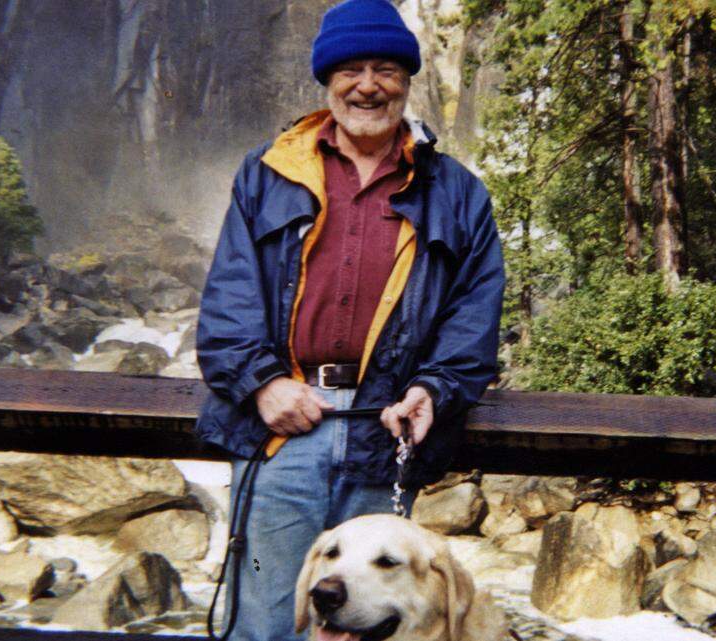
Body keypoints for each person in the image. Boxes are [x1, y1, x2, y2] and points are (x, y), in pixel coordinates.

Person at [193, 0, 505, 639]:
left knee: (379, 624)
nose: (368, 85)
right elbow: (228, 304)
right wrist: (263, 384)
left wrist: (431, 390)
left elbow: (474, 317)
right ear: (327, 80)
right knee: (266, 619)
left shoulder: (458, 192)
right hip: (280, 431)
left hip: (384, 433)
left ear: (408, 80)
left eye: (386, 69)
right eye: (351, 69)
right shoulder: (267, 175)